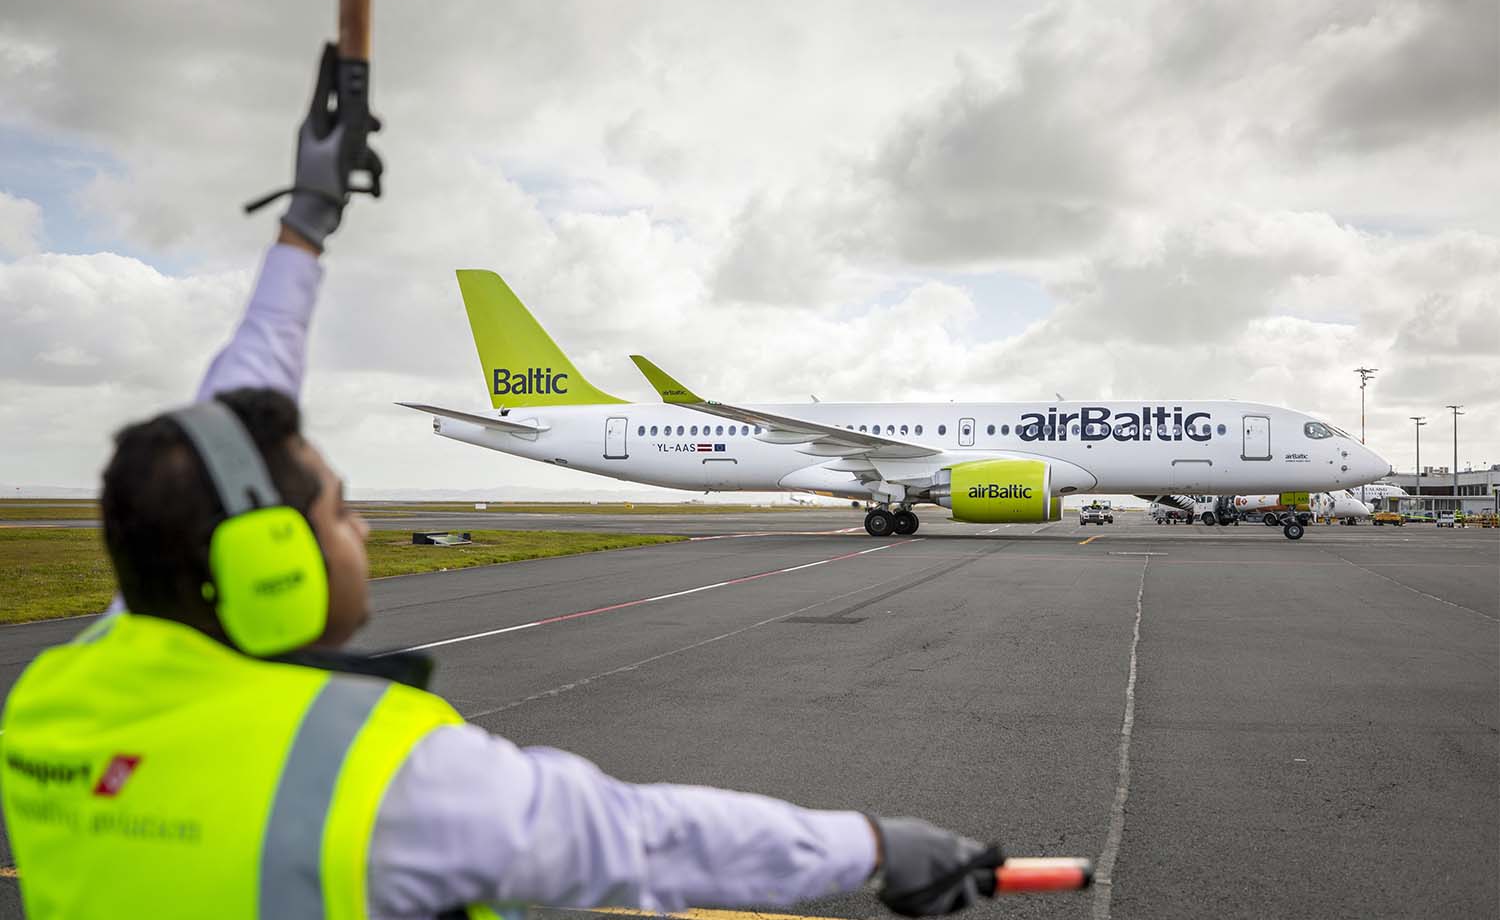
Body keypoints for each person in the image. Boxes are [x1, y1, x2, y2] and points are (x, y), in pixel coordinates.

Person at [0, 48, 996, 919]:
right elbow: (647, 837)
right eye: (341, 510)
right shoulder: (379, 767)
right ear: (270, 561)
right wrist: (875, 845)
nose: (358, 528)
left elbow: (225, 434)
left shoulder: (58, 700)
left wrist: (305, 224)